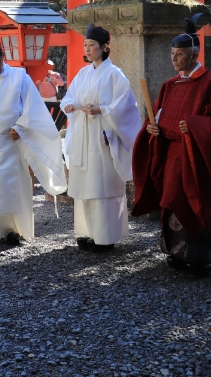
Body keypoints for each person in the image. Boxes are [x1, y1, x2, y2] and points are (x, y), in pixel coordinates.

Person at [132, 17, 211, 274]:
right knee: (171, 200)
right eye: (172, 54)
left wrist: (195, 126)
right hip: (171, 154)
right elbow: (156, 112)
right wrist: (151, 127)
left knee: (195, 201)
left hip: (196, 155)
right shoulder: (170, 84)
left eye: (179, 54)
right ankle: (176, 253)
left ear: (193, 55)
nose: (174, 59)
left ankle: (200, 257)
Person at [0, 32, 67, 251]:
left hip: (10, 142)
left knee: (11, 187)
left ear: (4, 58)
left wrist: (21, 127)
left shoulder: (19, 78)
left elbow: (34, 110)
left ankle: (11, 230)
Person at [61, 24, 141, 252]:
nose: (87, 49)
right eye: (85, 45)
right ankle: (87, 231)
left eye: (91, 45)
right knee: (85, 187)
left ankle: (106, 237)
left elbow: (125, 107)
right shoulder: (83, 73)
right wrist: (68, 104)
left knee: (102, 187)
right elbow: (70, 95)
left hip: (102, 137)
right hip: (83, 135)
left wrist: (102, 110)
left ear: (105, 48)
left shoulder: (115, 75)